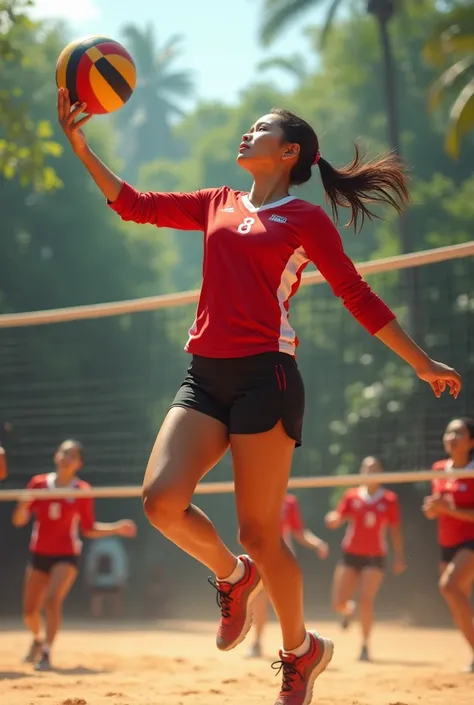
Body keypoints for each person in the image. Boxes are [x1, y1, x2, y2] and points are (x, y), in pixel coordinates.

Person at [58, 87, 461, 705]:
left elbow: (357, 295)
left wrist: (421, 362)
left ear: (289, 151)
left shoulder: (304, 220)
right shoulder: (217, 201)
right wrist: (81, 145)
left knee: (261, 533)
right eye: (247, 128)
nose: (247, 135)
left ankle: (301, 652)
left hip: (266, 378)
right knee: (161, 502)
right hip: (204, 374)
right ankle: (232, 578)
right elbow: (134, 205)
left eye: (260, 129)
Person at [12, 439, 137, 671]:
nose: (66, 458)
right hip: (39, 553)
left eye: (72, 455)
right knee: (29, 611)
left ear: (78, 463)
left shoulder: (81, 491)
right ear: (56, 456)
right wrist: (22, 506)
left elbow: (88, 528)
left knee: (51, 601)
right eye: (63, 453)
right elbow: (19, 520)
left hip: (66, 555)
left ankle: (46, 653)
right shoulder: (38, 484)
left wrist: (116, 527)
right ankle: (38, 639)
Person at [325, 457, 406, 661]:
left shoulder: (389, 499)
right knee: (338, 602)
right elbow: (338, 516)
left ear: (381, 473)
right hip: (351, 553)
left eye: (374, 469)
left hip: (375, 555)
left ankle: (365, 644)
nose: (369, 472)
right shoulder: (352, 496)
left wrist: (399, 556)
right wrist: (333, 520)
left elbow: (395, 530)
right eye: (366, 468)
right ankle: (347, 611)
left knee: (365, 600)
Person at [247, 493, 329, 658]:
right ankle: (257, 642)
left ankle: (298, 647)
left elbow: (300, 532)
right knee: (259, 601)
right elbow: (245, 532)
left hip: (283, 561)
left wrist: (317, 543)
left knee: (287, 607)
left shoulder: (289, 502)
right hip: (262, 560)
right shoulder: (255, 498)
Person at [422, 417, 474, 672]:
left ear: (471, 441)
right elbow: (438, 508)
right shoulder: (439, 468)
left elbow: (455, 509)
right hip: (447, 543)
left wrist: (448, 509)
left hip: (471, 540)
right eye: (448, 432)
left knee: (449, 586)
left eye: (458, 433)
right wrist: (432, 510)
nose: (451, 437)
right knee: (457, 598)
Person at [85, 536, 129, 618]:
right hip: (114, 582)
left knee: (97, 598)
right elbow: (120, 566)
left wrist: (90, 578)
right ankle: (118, 618)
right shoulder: (117, 546)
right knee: (116, 598)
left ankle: (95, 618)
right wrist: (121, 580)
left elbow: (91, 565)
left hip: (98, 581)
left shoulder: (96, 545)